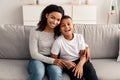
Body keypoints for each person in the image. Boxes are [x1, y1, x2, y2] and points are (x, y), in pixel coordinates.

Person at [51, 15, 98, 80]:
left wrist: (80, 65)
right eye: (63, 25)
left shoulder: (79, 37)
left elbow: (83, 54)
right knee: (77, 76)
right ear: (59, 29)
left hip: (80, 60)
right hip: (68, 63)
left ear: (73, 26)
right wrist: (66, 63)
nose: (66, 27)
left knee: (90, 69)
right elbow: (53, 58)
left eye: (68, 24)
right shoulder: (58, 42)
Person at [28, 4, 66, 80]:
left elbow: (73, 38)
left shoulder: (60, 32)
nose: (55, 22)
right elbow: (34, 54)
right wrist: (53, 61)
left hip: (54, 59)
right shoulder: (35, 31)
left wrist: (86, 46)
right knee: (38, 73)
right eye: (52, 17)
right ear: (46, 15)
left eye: (58, 20)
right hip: (37, 59)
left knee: (56, 73)